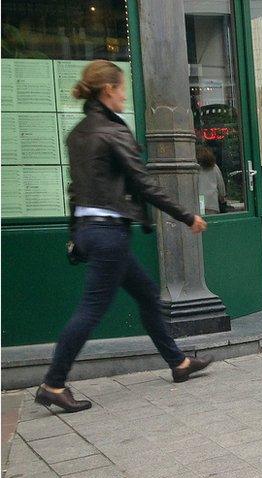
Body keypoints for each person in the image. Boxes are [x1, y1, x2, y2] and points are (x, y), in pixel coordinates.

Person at [36, 60, 212, 414]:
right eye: (121, 89)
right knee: (90, 310)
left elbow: (75, 189)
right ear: (107, 91)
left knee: (147, 294)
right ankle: (53, 383)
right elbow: (142, 183)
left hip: (92, 230)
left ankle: (177, 363)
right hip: (108, 233)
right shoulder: (112, 132)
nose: (123, 95)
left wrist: (77, 234)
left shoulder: (79, 133)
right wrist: (186, 215)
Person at [196, 145, 227, 214]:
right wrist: (222, 196)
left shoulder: (195, 168)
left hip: (199, 201)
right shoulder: (214, 167)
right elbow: (220, 184)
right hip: (212, 202)